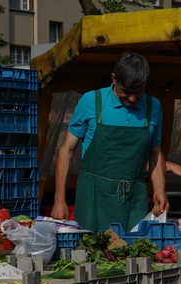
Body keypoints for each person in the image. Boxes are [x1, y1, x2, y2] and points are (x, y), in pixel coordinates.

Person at [51, 51, 169, 231]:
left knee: (136, 254)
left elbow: (155, 154)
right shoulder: (91, 101)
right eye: (127, 92)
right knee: (93, 253)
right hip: (93, 200)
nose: (132, 99)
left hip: (134, 201)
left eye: (138, 92)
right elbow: (66, 150)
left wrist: (160, 189)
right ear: (114, 79)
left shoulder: (153, 107)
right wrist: (60, 200)